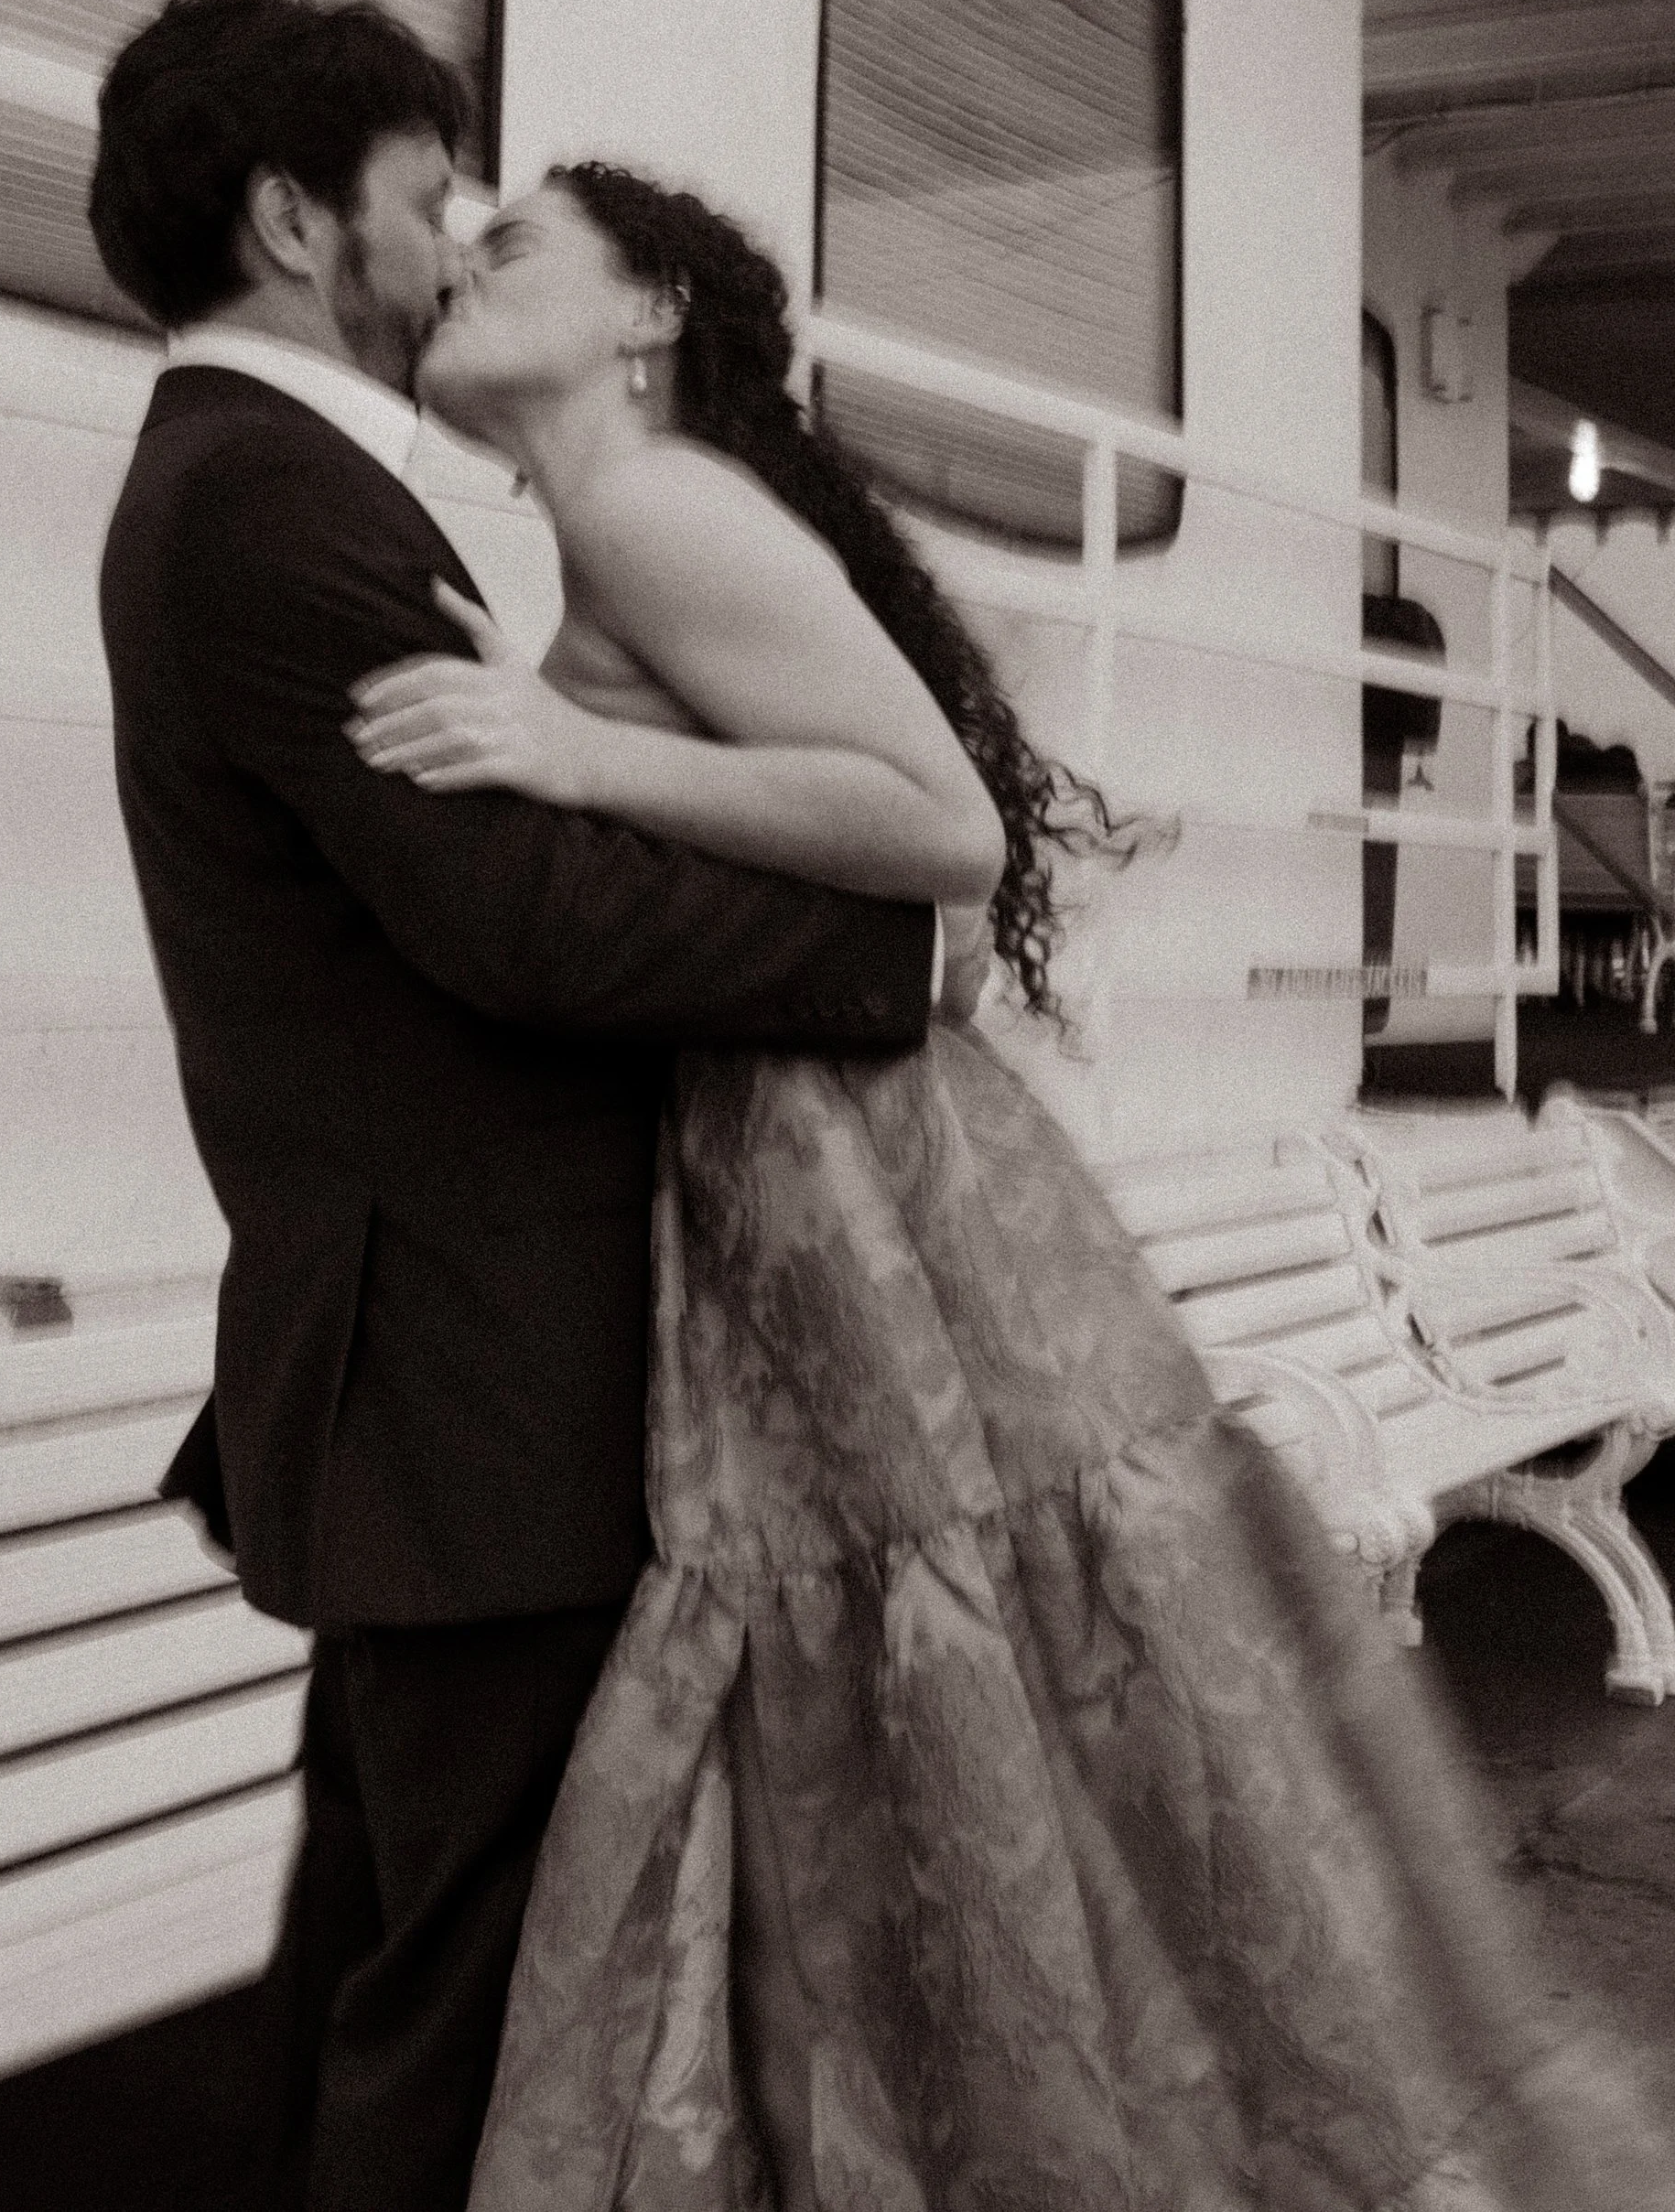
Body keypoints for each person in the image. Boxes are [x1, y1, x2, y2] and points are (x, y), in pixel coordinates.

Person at [349, 158, 1673, 2212]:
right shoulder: (630, 511)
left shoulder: (647, 496)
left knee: (942, 1643)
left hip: (852, 1170)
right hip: (833, 1164)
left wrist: (568, 753)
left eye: (514, 241)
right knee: (980, 1665)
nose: (460, 258)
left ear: (643, 322)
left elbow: (938, 827)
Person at [89, 0, 958, 2212]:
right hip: (473, 1385)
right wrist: (890, 956)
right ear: (295, 223)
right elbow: (522, 925)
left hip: (432, 1383)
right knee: (472, 2004)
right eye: (420, 201)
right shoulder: (275, 504)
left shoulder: (256, 486)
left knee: (391, 1956)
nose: (450, 240)